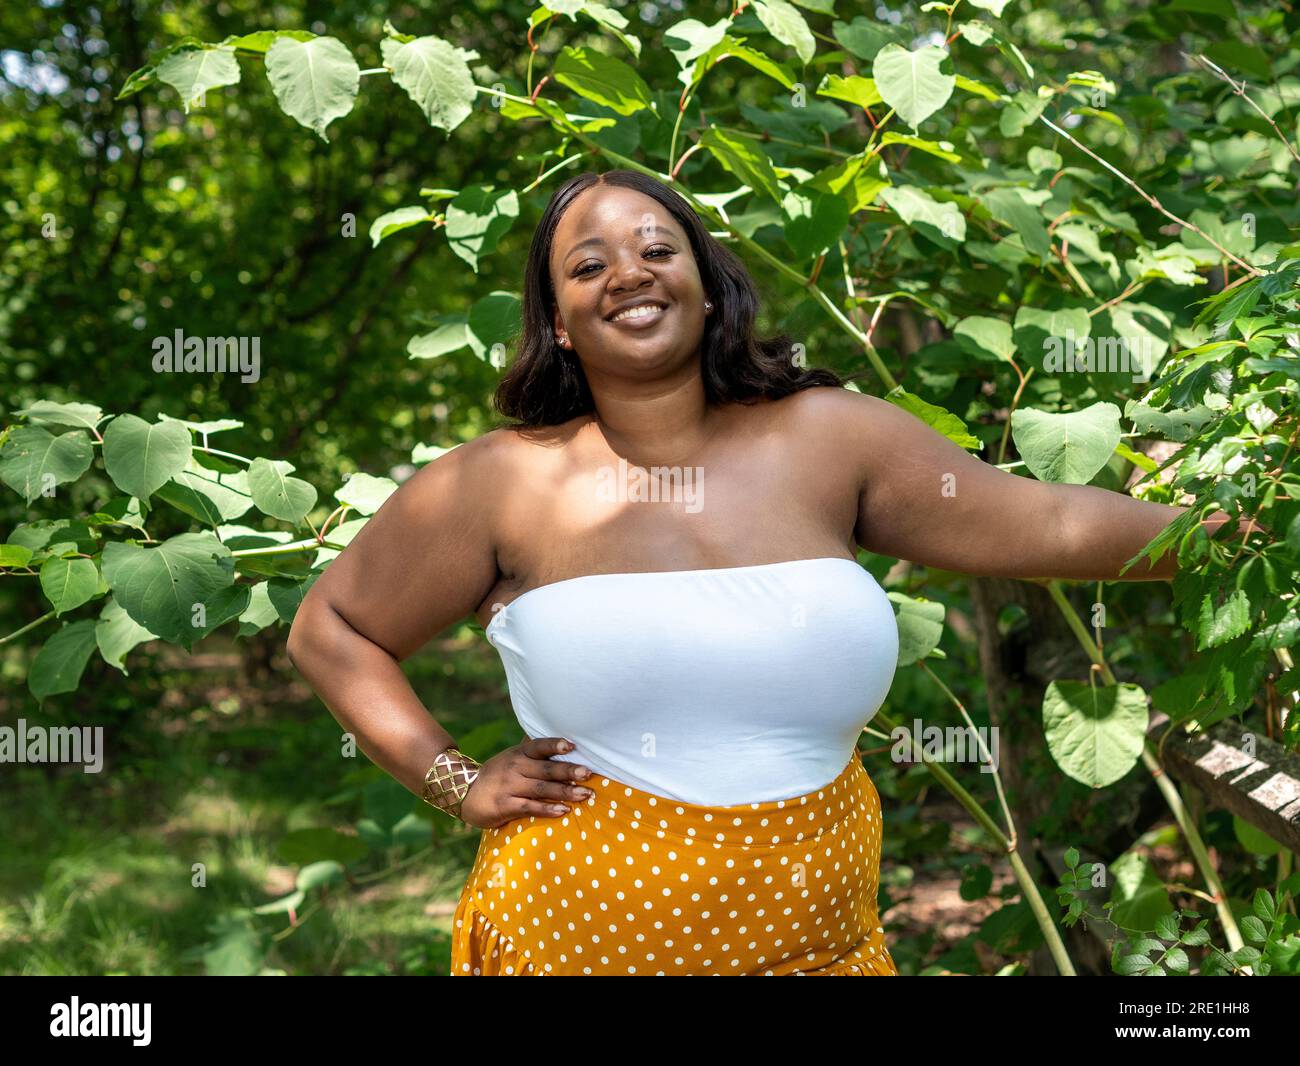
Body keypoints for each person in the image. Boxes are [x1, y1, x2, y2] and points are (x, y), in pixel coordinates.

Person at [286, 168, 1230, 976]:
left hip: (820, 945)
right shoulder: (501, 482)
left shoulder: (830, 438)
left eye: (658, 249)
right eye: (588, 265)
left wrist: (1248, 532)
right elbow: (333, 628)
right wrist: (453, 779)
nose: (628, 275)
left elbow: (1057, 521)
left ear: (705, 283)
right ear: (561, 325)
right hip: (574, 941)